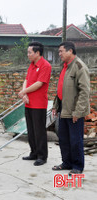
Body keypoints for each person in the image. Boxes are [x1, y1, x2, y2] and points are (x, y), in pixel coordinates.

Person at [52, 41, 90, 175]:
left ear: (70, 51)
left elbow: (84, 92)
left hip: (74, 111)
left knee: (75, 140)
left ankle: (77, 166)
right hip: (64, 108)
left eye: (61, 51)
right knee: (63, 138)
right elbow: (60, 88)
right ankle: (66, 162)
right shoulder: (65, 67)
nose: (59, 54)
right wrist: (56, 105)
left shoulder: (79, 67)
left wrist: (78, 112)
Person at [18, 41, 52, 166]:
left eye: (30, 52)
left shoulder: (45, 65)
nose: (28, 54)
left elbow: (39, 83)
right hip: (28, 103)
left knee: (39, 131)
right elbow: (26, 79)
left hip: (39, 104)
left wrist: (23, 92)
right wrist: (24, 94)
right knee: (31, 130)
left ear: (37, 53)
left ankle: (42, 156)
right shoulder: (32, 65)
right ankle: (33, 153)